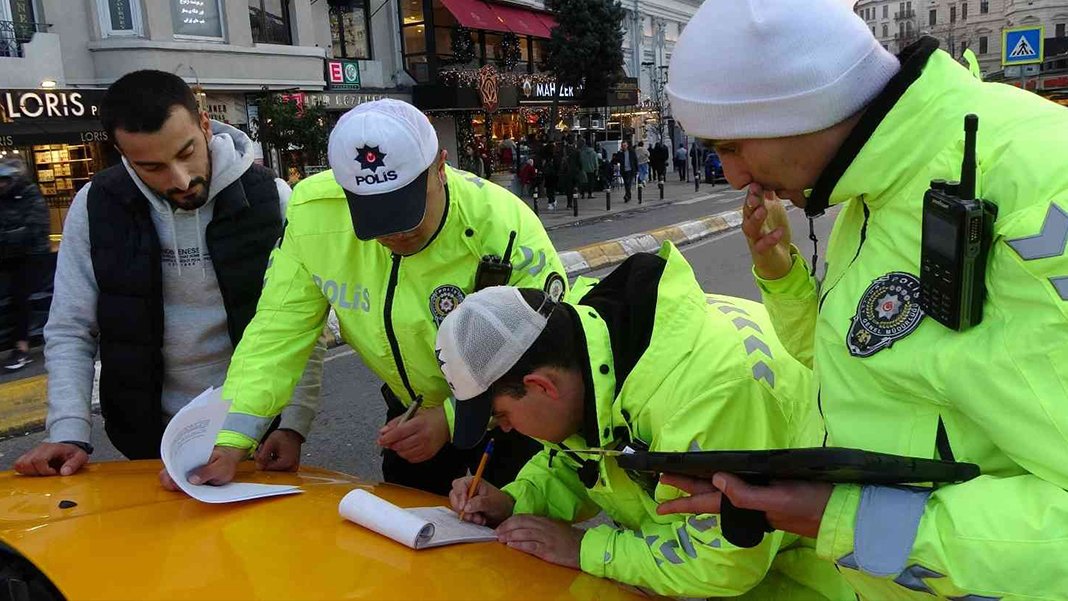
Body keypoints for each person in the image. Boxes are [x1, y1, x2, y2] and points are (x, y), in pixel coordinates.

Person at [659, 1, 1068, 599]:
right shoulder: (873, 190)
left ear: (797, 106)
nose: (733, 176)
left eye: (732, 146)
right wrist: (781, 276)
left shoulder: (1039, 186)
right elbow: (857, 360)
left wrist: (845, 520)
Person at [166, 99, 568, 496]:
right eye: (375, 216)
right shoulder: (313, 213)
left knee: (514, 523)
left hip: (511, 415)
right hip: (410, 411)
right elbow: (277, 330)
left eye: (405, 210)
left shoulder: (503, 225)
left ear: (440, 167)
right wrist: (230, 438)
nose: (395, 234)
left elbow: (548, 351)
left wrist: (449, 417)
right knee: (405, 525)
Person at [436, 244, 851, 600]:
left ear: (541, 386)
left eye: (501, 415)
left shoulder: (711, 395)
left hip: (827, 567)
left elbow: (725, 557)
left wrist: (585, 548)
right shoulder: (587, 346)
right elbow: (584, 458)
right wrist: (513, 501)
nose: (505, 429)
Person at [14, 69, 323, 477]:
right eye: (152, 167)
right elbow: (71, 327)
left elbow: (301, 323)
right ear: (123, 155)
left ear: (205, 124)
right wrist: (68, 431)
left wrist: (293, 423)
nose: (180, 179)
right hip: (143, 434)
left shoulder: (271, 199)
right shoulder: (96, 207)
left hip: (255, 429)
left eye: (186, 152)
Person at [0, 160, 49, 370]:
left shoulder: (30, 194)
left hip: (31, 255)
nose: (1, 184)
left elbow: (35, 228)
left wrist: (7, 236)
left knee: (19, 297)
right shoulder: (3, 199)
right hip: (7, 255)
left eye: (4, 180)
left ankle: (21, 348)